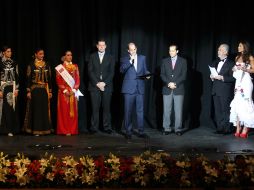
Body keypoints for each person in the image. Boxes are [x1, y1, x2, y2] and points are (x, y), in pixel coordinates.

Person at [120, 42, 150, 139]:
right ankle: (128, 132)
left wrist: (148, 74)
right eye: (131, 49)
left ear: (136, 49)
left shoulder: (142, 58)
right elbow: (121, 70)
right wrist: (130, 61)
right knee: (128, 111)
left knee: (140, 111)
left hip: (140, 88)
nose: (133, 51)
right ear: (128, 50)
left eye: (134, 49)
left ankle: (141, 131)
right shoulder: (124, 59)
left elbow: (145, 70)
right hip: (129, 89)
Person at [23, 48, 53, 136]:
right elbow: (28, 79)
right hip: (35, 89)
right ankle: (35, 129)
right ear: (36, 54)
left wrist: (50, 91)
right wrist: (28, 91)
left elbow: (49, 79)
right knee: (36, 110)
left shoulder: (47, 64)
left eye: (43, 54)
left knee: (44, 109)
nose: (42, 55)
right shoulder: (31, 64)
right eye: (40, 54)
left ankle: (45, 129)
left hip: (44, 89)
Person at [88, 39, 115, 134]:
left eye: (103, 45)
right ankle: (94, 127)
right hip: (94, 86)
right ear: (97, 46)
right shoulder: (92, 56)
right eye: (100, 45)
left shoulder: (111, 57)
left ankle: (107, 127)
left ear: (106, 46)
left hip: (107, 86)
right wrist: (97, 83)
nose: (101, 47)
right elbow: (90, 71)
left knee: (106, 108)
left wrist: (104, 83)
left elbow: (112, 72)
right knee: (95, 108)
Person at [160, 44, 187, 136]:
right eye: (170, 50)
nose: (171, 52)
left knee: (178, 110)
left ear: (177, 51)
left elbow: (183, 75)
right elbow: (162, 74)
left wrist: (175, 83)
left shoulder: (183, 61)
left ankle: (177, 129)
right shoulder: (164, 61)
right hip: (167, 88)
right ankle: (166, 128)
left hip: (178, 88)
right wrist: (168, 83)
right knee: (166, 110)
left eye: (172, 50)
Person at [230, 41, 254, 138]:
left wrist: (246, 69)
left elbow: (253, 70)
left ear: (244, 47)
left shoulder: (250, 57)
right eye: (238, 45)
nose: (238, 47)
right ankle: (238, 128)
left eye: (240, 45)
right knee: (237, 103)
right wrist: (234, 69)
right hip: (238, 82)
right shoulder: (237, 57)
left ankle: (246, 127)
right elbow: (235, 68)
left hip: (246, 82)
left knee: (245, 103)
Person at [210, 44, 235, 135]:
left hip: (225, 90)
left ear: (226, 52)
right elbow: (214, 73)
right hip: (216, 89)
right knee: (218, 110)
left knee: (225, 110)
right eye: (218, 49)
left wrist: (222, 78)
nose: (218, 51)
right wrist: (212, 76)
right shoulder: (216, 62)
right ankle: (220, 128)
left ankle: (227, 129)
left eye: (220, 50)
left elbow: (233, 78)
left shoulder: (231, 63)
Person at [56, 51, 80, 136]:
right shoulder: (61, 67)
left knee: (73, 112)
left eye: (71, 55)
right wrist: (65, 91)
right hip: (64, 92)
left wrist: (74, 90)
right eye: (68, 55)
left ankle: (73, 130)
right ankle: (64, 130)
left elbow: (77, 79)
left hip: (73, 91)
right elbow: (58, 80)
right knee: (64, 111)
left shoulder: (75, 66)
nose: (70, 56)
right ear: (64, 57)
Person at [0, 46, 19, 136]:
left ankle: (10, 129)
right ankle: (3, 129)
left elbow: (17, 76)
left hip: (12, 86)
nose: (10, 53)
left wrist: (17, 89)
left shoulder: (14, 63)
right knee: (2, 108)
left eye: (10, 51)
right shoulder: (0, 63)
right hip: (2, 87)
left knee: (11, 107)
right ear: (4, 52)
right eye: (8, 51)